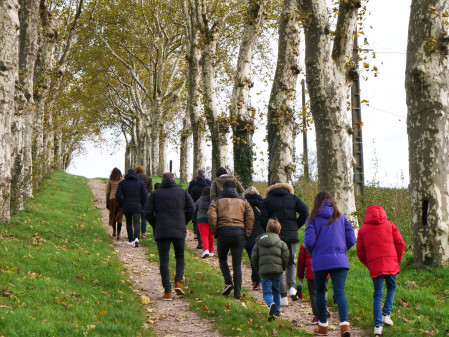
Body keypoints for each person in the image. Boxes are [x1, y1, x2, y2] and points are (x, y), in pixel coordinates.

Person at [304, 191, 356, 337]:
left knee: (320, 292)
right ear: (332, 202)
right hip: (340, 261)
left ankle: (323, 327)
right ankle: (345, 326)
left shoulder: (312, 219)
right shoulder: (341, 217)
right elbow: (352, 238)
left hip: (320, 261)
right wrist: (341, 250)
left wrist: (314, 253)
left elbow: (308, 241)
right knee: (339, 293)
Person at [144, 172, 194, 300]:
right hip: (179, 229)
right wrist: (184, 222)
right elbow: (192, 209)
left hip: (162, 230)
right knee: (180, 256)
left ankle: (168, 291)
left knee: (164, 259)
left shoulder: (155, 194)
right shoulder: (182, 192)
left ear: (162, 180)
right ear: (173, 180)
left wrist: (156, 224)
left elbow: (147, 212)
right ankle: (178, 282)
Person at [356, 205, 405, 336]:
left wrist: (369, 264)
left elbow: (360, 252)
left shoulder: (363, 230)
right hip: (391, 263)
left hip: (375, 265)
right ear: (383, 212)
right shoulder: (390, 225)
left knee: (377, 294)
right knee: (391, 287)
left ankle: (378, 325)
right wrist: (396, 260)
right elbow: (400, 243)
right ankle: (386, 315)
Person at [262, 181, 309, 306]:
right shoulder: (293, 198)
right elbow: (305, 211)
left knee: (279, 264)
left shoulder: (267, 200)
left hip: (277, 236)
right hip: (292, 234)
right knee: (291, 261)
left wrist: (270, 231)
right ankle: (292, 287)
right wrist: (296, 226)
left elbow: (263, 219)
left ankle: (283, 296)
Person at [208, 180, 254, 300]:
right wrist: (247, 233)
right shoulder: (244, 201)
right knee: (237, 265)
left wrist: (215, 232)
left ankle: (228, 282)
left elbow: (212, 217)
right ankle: (237, 295)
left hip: (223, 233)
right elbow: (250, 217)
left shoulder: (216, 201)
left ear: (222, 189)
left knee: (222, 259)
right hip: (239, 234)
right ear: (235, 190)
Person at [251, 219, 289, 321]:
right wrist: (282, 268)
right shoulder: (281, 243)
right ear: (279, 231)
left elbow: (254, 257)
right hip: (277, 272)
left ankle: (270, 304)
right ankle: (277, 312)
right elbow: (286, 257)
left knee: (267, 293)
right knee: (276, 291)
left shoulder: (259, 242)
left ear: (266, 230)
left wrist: (258, 269)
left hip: (264, 272)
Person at [297, 243, 330, 325]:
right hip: (324, 270)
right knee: (324, 290)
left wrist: (300, 275)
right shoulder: (325, 241)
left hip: (311, 272)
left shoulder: (305, 244)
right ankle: (324, 306)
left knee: (314, 293)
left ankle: (317, 315)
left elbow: (301, 261)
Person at [116, 169, 148, 248]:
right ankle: (136, 239)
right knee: (137, 222)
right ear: (135, 174)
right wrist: (143, 205)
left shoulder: (122, 183)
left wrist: (121, 204)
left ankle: (130, 240)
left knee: (129, 222)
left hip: (126, 205)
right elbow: (145, 195)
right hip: (137, 205)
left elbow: (117, 195)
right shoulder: (140, 183)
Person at [243, 186, 264, 289]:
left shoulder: (243, 204)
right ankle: (258, 279)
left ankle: (257, 280)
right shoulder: (263, 203)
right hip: (262, 234)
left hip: (249, 234)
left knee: (253, 259)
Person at [188, 170, 211, 249]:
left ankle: (200, 241)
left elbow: (190, 196)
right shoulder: (208, 184)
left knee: (198, 222)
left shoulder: (193, 186)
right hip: (208, 205)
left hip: (197, 205)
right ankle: (208, 244)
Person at [194, 186, 213, 258]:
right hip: (211, 218)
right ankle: (211, 251)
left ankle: (205, 250)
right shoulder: (212, 200)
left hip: (201, 219)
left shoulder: (200, 199)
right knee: (211, 235)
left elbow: (194, 208)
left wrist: (194, 219)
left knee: (204, 235)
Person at [106, 168, 124, 240]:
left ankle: (114, 232)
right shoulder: (122, 180)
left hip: (112, 199)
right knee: (119, 217)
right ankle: (119, 234)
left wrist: (107, 202)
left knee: (113, 215)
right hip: (121, 199)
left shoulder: (110, 181)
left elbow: (108, 192)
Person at [135, 166, 153, 238]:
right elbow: (151, 188)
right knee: (144, 217)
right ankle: (143, 233)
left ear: (137, 170)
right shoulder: (148, 178)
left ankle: (136, 233)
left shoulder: (135, 177)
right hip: (145, 199)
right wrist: (146, 192)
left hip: (136, 199)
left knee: (136, 218)